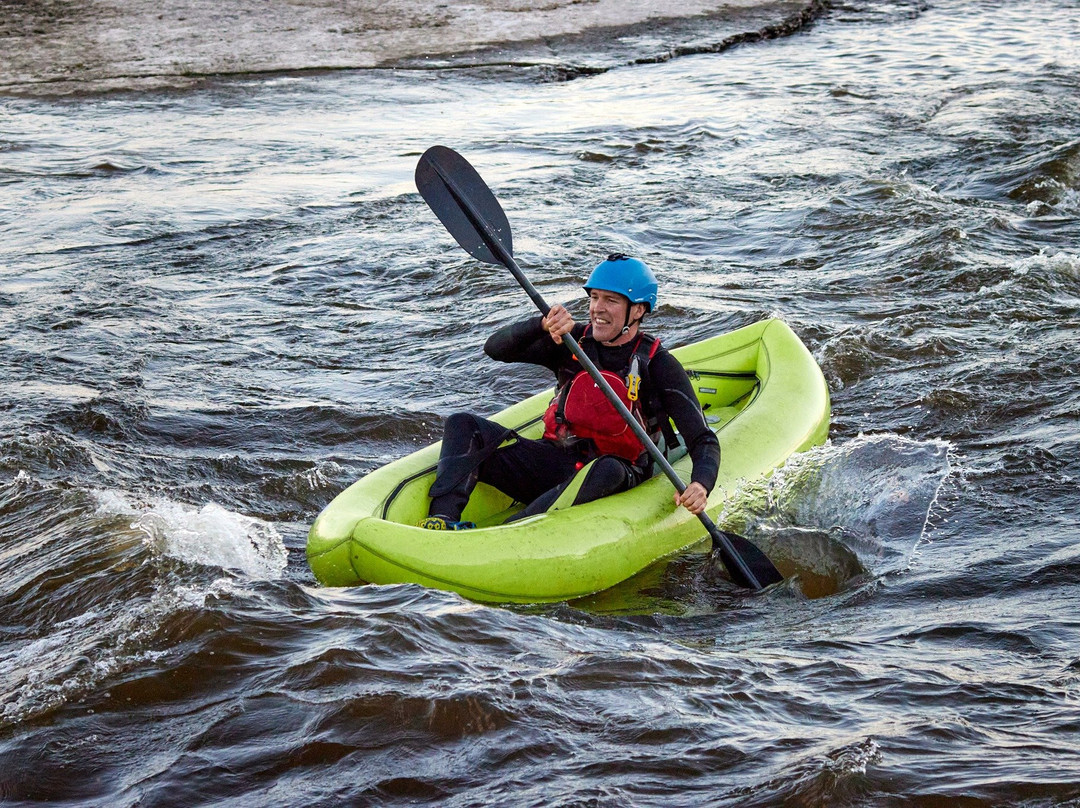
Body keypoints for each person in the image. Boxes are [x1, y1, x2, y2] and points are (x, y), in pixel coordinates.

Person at [419, 253, 720, 529]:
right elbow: (495, 349)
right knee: (463, 423)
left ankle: (512, 529)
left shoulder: (658, 364)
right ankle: (442, 519)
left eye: (611, 300)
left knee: (606, 469)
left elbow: (702, 439)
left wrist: (700, 484)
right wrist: (540, 324)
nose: (597, 309)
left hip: (616, 473)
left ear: (638, 310)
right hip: (557, 461)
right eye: (594, 297)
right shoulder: (572, 343)